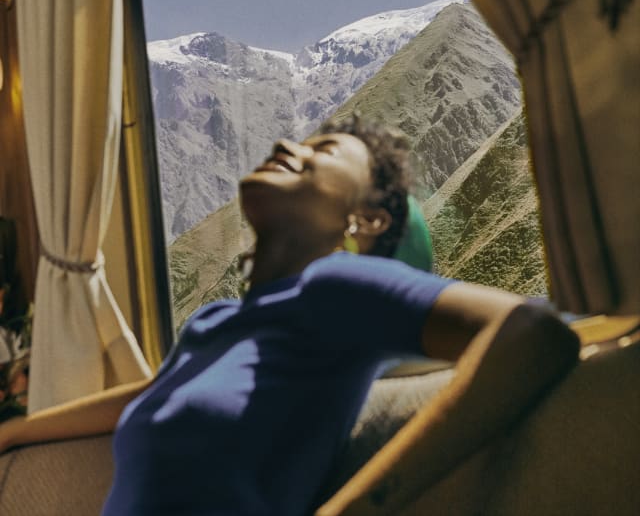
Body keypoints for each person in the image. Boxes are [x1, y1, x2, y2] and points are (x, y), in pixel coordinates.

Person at [0, 117, 580, 515]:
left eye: (323, 151)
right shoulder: (214, 322)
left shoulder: (338, 287)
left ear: (367, 221)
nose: (288, 143)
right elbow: (147, 395)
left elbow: (532, 331)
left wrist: (364, 504)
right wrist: (14, 432)